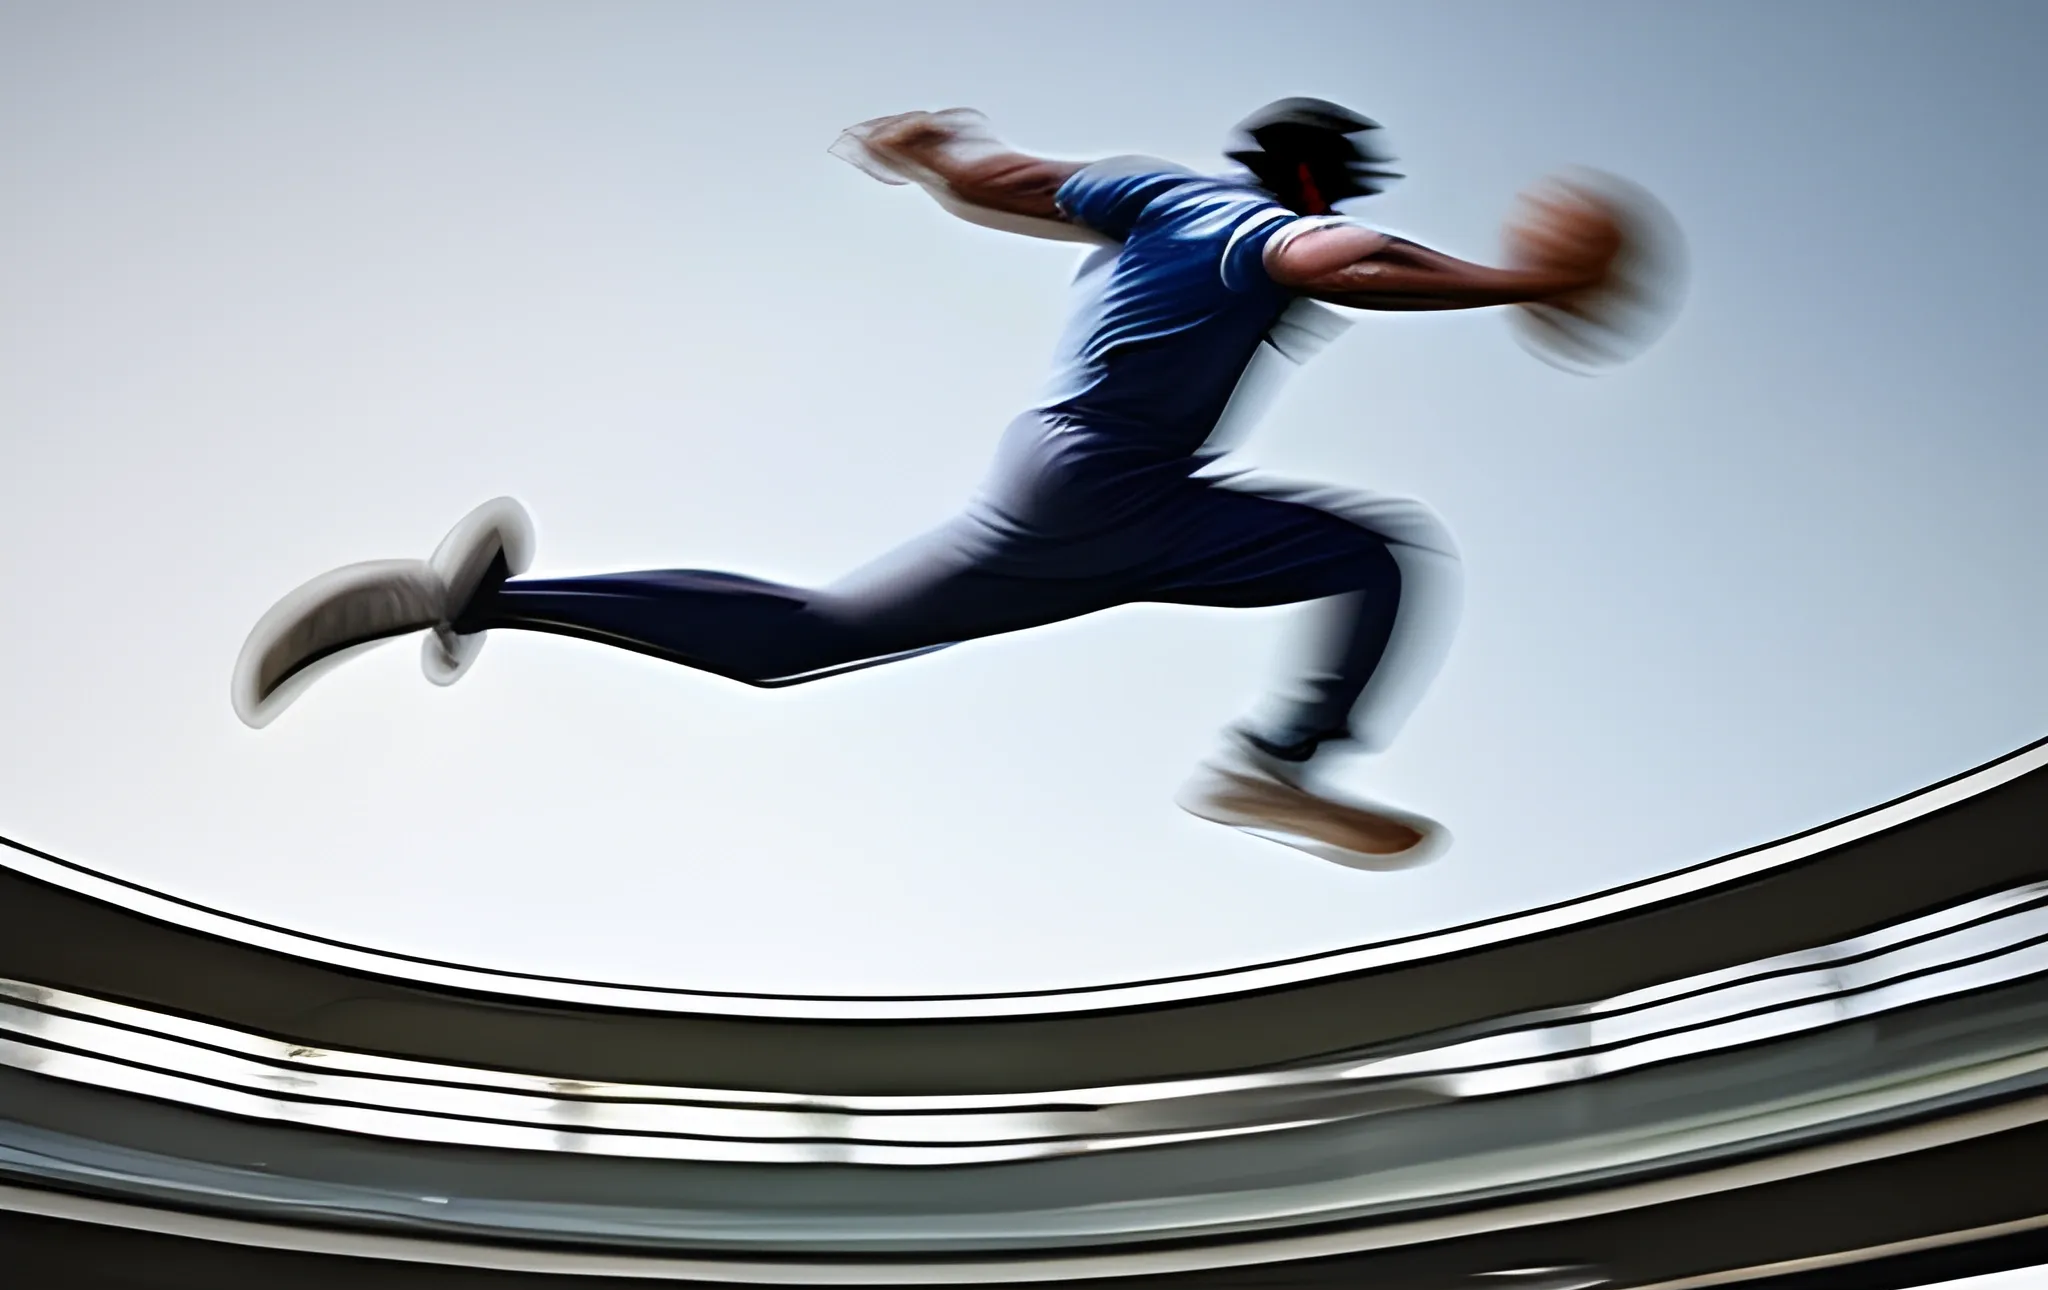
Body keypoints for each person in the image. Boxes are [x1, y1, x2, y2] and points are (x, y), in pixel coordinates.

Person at [234, 99, 1638, 868]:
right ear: (1322, 179)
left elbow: (1002, 180)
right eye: (1347, 194)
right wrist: (1530, 280)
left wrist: (927, 161)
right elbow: (1343, 265)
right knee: (1379, 557)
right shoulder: (1265, 223)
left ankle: (488, 601)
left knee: (805, 643)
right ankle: (1279, 769)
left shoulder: (1152, 191)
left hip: (1058, 490)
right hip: (1123, 492)